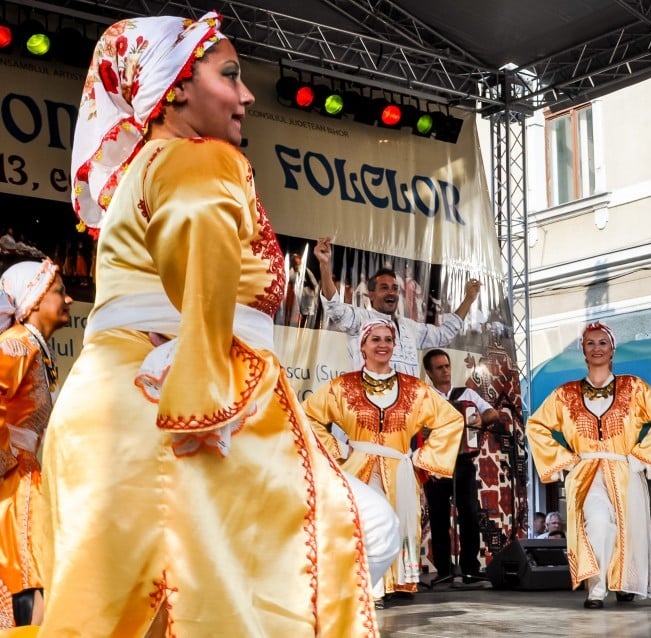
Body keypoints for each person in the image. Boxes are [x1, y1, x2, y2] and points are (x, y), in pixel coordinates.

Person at [39, 13, 384, 636]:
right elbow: (199, 247)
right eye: (230, 75)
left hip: (110, 416)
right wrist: (204, 390)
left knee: (126, 613)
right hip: (168, 407)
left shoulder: (145, 169)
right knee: (353, 533)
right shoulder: (201, 161)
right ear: (175, 87)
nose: (248, 96)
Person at [303, 320, 463, 606]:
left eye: (388, 339)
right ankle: (369, 584)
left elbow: (451, 420)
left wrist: (422, 458)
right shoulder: (343, 387)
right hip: (358, 466)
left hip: (400, 467)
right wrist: (337, 449)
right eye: (375, 339)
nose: (383, 345)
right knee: (366, 522)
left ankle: (402, 580)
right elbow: (308, 417)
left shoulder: (415, 389)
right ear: (362, 345)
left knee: (403, 522)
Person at [526, 322, 651, 608]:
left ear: (612, 350)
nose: (597, 348)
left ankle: (624, 582)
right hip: (586, 472)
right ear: (583, 350)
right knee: (596, 524)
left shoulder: (632, 387)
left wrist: (642, 455)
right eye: (590, 343)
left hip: (624, 468)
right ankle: (596, 586)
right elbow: (536, 425)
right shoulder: (565, 394)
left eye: (602, 343)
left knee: (628, 528)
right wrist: (564, 460)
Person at [0, 260, 72, 627]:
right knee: (26, 577)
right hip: (14, 484)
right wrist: (7, 458)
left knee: (35, 576)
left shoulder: (33, 347)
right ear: (34, 299)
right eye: (59, 290)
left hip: (27, 477)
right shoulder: (16, 344)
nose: (69, 298)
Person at [314, 237, 481, 375]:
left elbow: (445, 333)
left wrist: (469, 299)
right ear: (370, 294)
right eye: (384, 288)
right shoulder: (361, 319)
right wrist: (324, 265)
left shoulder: (409, 327)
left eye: (395, 288)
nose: (391, 293)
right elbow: (334, 306)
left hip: (408, 408)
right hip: (371, 404)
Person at [422, 348, 501, 584]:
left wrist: (479, 418)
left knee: (469, 513)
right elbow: (412, 425)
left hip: (463, 461)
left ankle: (470, 568)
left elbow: (492, 413)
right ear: (429, 372)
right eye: (439, 367)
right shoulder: (424, 396)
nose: (445, 371)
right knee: (438, 516)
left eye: (447, 366)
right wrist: (422, 430)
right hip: (436, 462)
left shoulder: (465, 393)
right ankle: (444, 569)